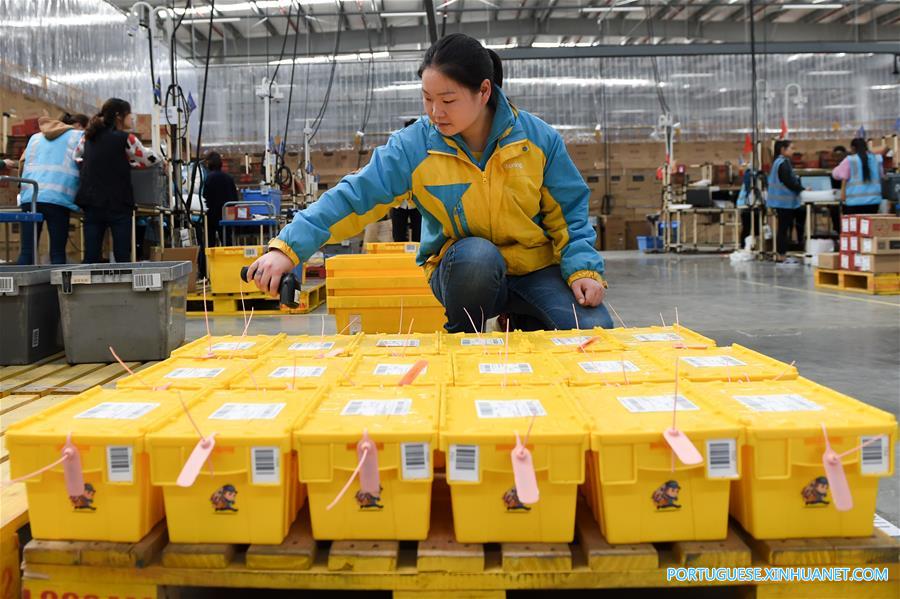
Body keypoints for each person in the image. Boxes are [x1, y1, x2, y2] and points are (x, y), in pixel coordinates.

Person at [248, 34, 611, 332]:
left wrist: (584, 270)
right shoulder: (414, 146)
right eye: (427, 99)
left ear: (484, 92)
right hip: (464, 270)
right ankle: (463, 333)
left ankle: (522, 317)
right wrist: (287, 249)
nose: (436, 112)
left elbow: (570, 214)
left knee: (596, 331)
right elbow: (353, 198)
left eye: (448, 100)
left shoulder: (537, 140)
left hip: (535, 269)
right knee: (478, 256)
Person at [74, 98, 160, 263]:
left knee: (91, 256)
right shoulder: (126, 139)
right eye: (129, 114)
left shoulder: (88, 137)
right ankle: (123, 286)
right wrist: (160, 160)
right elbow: (149, 158)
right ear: (119, 116)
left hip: (91, 201)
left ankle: (88, 288)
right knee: (122, 255)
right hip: (118, 203)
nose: (131, 118)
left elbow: (77, 157)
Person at [16, 113, 88, 264]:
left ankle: (19, 285)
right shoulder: (78, 136)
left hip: (31, 196)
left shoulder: (35, 138)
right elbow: (88, 165)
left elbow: (22, 164)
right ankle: (59, 286)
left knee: (27, 250)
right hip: (58, 198)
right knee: (57, 252)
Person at [766, 139, 806, 260]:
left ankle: (782, 254)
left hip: (783, 202)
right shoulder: (782, 163)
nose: (793, 151)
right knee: (783, 229)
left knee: (784, 228)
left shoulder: (780, 162)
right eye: (791, 148)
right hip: (783, 203)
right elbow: (788, 182)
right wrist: (802, 189)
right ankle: (781, 255)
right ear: (783, 150)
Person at [389, 119, 423, 243]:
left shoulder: (423, 150)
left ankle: (419, 261)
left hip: (418, 201)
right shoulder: (397, 147)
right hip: (399, 201)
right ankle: (400, 261)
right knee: (398, 237)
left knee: (419, 237)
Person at [831, 137, 885, 215]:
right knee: (868, 226)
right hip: (874, 202)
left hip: (853, 202)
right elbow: (882, 175)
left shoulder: (850, 160)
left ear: (853, 148)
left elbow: (835, 174)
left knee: (854, 226)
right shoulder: (877, 159)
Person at [202, 151, 238, 246]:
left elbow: (205, 196)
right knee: (227, 241)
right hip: (226, 214)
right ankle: (229, 259)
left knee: (210, 242)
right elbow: (235, 198)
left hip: (211, 214)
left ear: (209, 163)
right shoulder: (229, 178)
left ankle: (210, 260)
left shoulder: (208, 178)